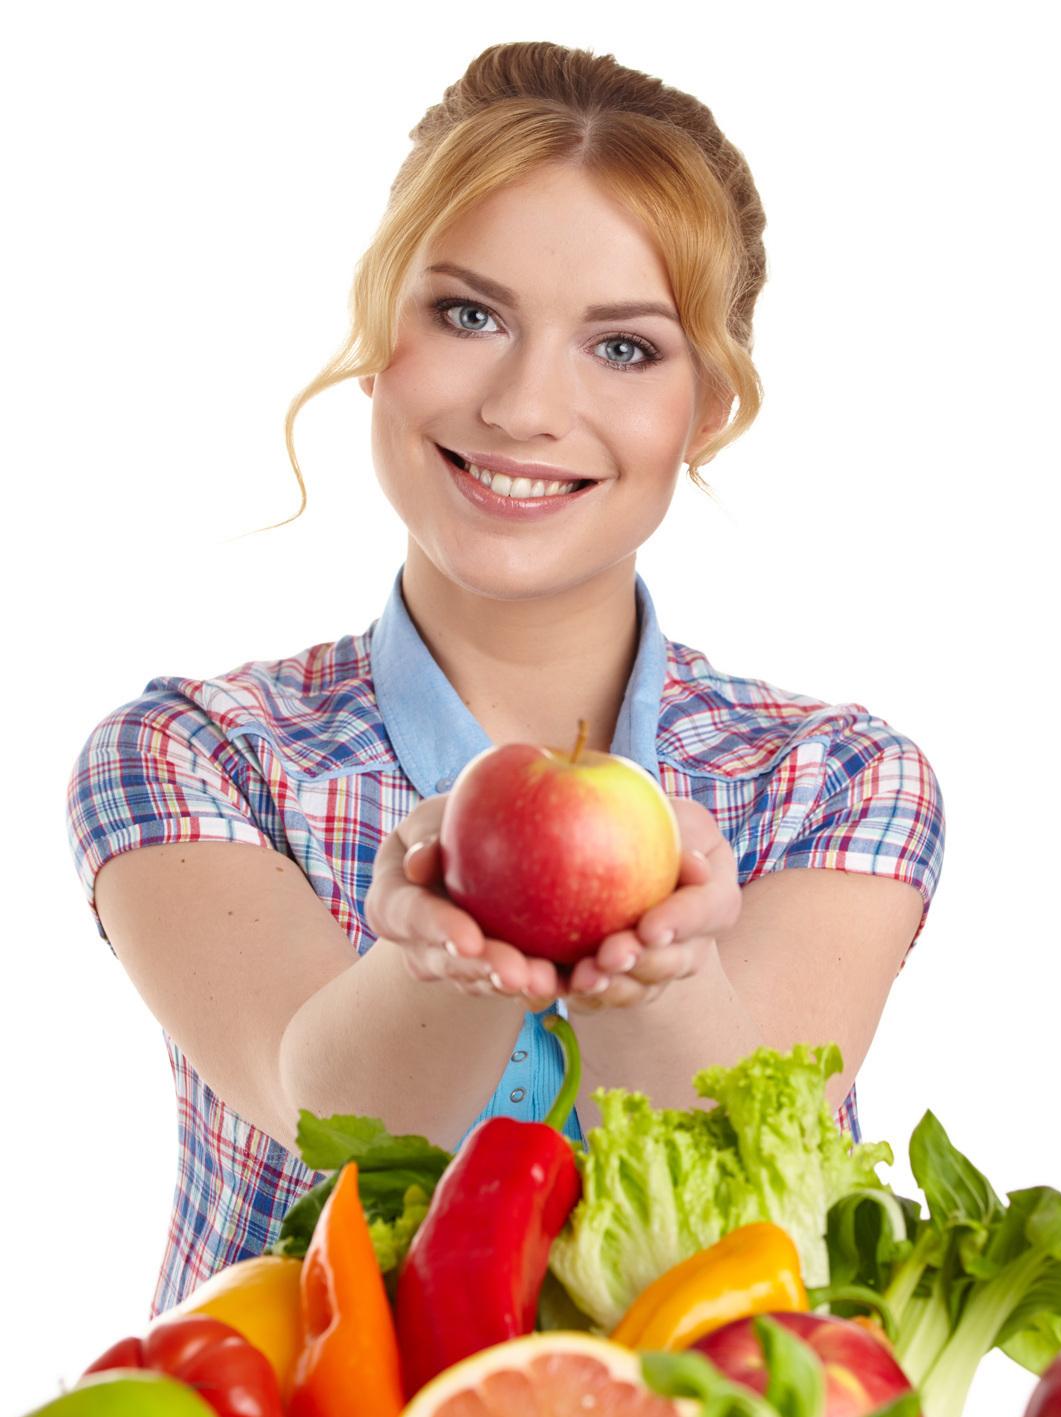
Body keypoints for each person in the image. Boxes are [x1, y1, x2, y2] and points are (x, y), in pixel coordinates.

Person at [67, 42, 944, 1315]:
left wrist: (665, 973)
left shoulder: (834, 779)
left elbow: (763, 1160)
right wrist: (445, 953)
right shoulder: (197, 754)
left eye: (626, 349)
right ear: (379, 341)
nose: (529, 407)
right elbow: (321, 1113)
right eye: (468, 315)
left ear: (707, 409)